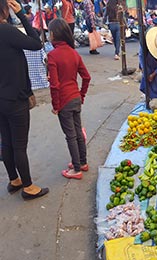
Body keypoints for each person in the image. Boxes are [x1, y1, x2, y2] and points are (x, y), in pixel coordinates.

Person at [0, 0, 49, 200]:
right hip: (14, 98)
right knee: (19, 144)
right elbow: (36, 43)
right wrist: (22, 15)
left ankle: (14, 179)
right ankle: (28, 186)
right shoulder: (7, 32)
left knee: (7, 142)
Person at [47, 18, 91, 179]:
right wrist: (82, 95)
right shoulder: (74, 53)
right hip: (75, 98)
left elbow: (55, 85)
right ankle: (82, 162)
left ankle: (76, 168)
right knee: (78, 132)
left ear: (53, 34)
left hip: (64, 100)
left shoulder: (52, 55)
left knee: (71, 135)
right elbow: (86, 77)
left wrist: (56, 105)